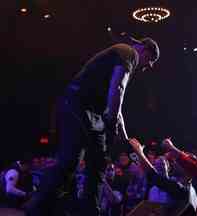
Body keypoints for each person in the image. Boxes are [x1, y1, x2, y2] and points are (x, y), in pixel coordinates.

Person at [23, 35, 160, 216]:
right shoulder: (130, 53)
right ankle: (36, 209)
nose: (149, 66)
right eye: (150, 60)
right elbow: (118, 89)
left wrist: (125, 137)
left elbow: (116, 105)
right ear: (144, 49)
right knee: (70, 161)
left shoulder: (125, 57)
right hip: (77, 106)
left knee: (98, 165)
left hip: (94, 114)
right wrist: (111, 123)